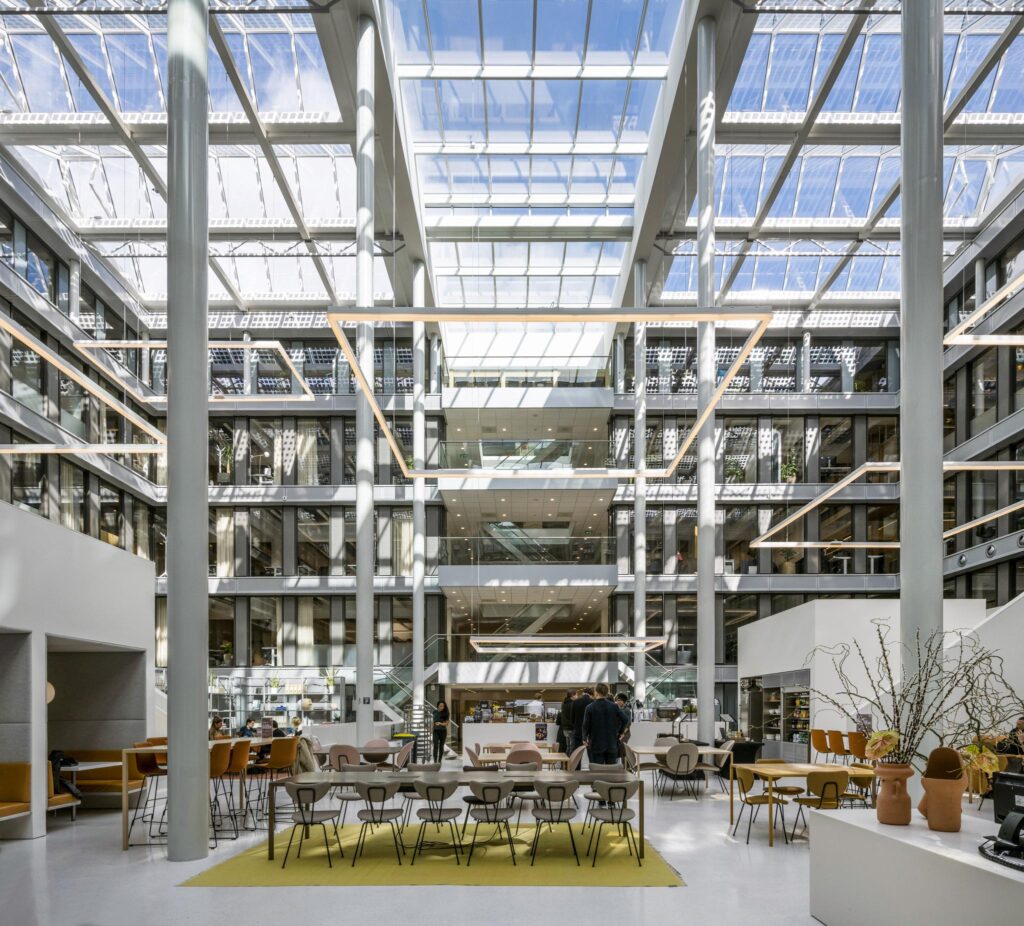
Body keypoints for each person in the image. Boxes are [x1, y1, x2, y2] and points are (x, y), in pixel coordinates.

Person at [582, 683, 625, 766]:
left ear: (596, 692)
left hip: (595, 743)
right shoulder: (614, 706)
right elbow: (625, 719)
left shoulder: (589, 707)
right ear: (606, 693)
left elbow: (585, 725)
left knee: (597, 771)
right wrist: (620, 732)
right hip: (611, 743)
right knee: (611, 771)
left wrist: (584, 737)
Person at [571, 687, 593, 754]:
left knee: (577, 754)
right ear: (591, 694)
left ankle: (578, 765)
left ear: (583, 693)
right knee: (591, 755)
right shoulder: (593, 702)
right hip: (590, 733)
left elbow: (572, 718)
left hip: (578, 731)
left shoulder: (575, 702)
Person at [614, 693, 633, 760]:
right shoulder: (617, 709)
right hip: (619, 733)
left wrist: (623, 734)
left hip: (625, 734)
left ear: (623, 701)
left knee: (622, 749)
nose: (618, 701)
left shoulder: (627, 710)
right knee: (619, 750)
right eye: (617, 700)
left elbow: (628, 723)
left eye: (619, 700)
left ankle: (626, 767)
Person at [557, 690, 576, 755]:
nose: (577, 696)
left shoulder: (564, 704)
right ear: (573, 695)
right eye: (576, 695)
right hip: (571, 727)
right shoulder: (573, 704)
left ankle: (567, 762)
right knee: (572, 747)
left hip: (565, 728)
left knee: (568, 746)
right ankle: (570, 762)